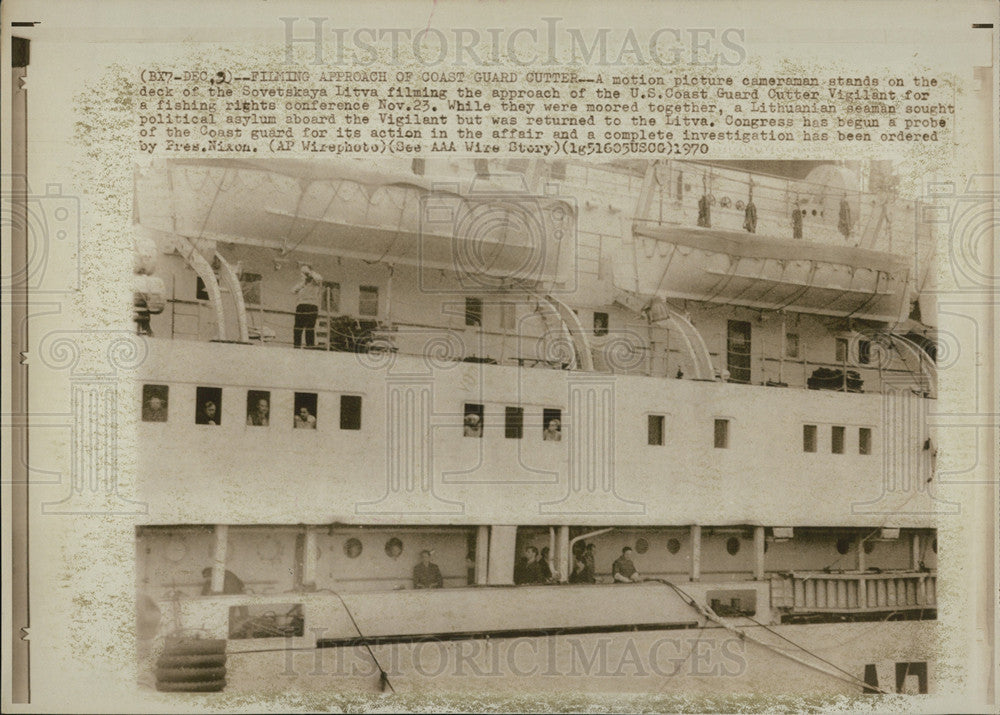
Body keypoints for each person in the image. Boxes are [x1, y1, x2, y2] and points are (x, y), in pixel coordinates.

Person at [291, 264, 323, 348]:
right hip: (301, 306)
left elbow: (319, 278)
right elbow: (293, 291)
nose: (303, 274)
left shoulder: (315, 281)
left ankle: (310, 347)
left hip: (312, 305)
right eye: (302, 272)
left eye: (304, 272)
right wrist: (304, 283)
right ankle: (296, 346)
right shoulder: (302, 283)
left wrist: (309, 273)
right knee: (298, 327)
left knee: (310, 328)